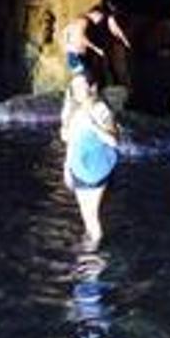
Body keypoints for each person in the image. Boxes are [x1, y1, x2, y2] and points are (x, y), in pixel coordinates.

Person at [60, 73, 119, 251]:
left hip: (96, 166)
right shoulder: (71, 109)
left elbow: (114, 141)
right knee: (86, 215)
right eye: (75, 87)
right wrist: (66, 167)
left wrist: (93, 125)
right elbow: (69, 140)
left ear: (91, 87)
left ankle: (93, 261)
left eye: (82, 85)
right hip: (77, 166)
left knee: (91, 215)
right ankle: (91, 246)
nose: (78, 90)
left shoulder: (100, 109)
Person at [62, 4, 132, 83]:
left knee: (86, 79)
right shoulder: (84, 21)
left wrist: (67, 48)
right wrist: (97, 49)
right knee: (88, 80)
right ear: (96, 13)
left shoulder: (75, 21)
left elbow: (64, 32)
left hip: (72, 54)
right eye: (101, 17)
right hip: (77, 56)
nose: (99, 21)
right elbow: (81, 37)